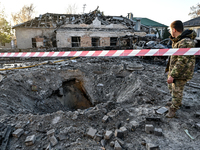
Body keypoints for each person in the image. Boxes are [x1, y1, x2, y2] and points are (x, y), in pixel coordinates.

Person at [165, 20, 196, 118]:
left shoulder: (185, 42)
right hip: (176, 70)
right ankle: (175, 102)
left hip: (181, 72)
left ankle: (174, 109)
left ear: (174, 30)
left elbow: (182, 61)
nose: (170, 32)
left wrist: (172, 75)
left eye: (170, 30)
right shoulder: (179, 40)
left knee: (177, 90)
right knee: (172, 88)